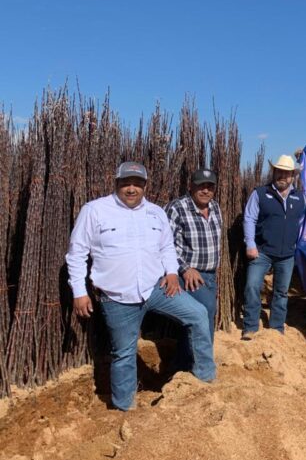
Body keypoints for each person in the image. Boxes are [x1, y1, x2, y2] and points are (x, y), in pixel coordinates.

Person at [66, 162, 215, 411]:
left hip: (156, 289)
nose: (132, 188)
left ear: (145, 185)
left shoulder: (156, 213)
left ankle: (205, 379)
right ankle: (125, 409)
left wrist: (170, 272)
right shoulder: (95, 211)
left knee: (198, 315)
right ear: (116, 183)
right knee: (124, 353)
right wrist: (79, 292)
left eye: (137, 183)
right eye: (126, 183)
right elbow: (76, 253)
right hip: (117, 298)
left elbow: (167, 246)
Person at [242, 154, 306, 339]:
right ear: (274, 172)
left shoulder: (299, 197)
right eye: (279, 172)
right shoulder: (261, 193)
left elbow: (302, 223)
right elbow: (249, 218)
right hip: (262, 251)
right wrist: (250, 244)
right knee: (252, 286)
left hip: (287, 254)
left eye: (287, 173)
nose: (282, 176)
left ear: (293, 176)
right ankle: (251, 326)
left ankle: (277, 327)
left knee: (281, 292)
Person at [165, 168, 223, 371]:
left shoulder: (215, 207)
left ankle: (183, 364)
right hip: (189, 276)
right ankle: (203, 367)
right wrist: (186, 269)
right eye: (201, 186)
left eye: (210, 187)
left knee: (194, 319)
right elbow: (165, 245)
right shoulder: (177, 208)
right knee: (204, 314)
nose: (205, 191)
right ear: (191, 186)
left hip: (210, 275)